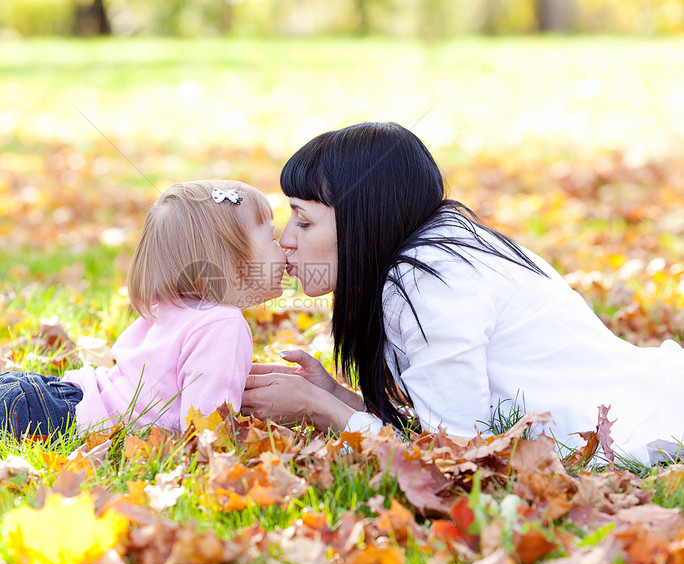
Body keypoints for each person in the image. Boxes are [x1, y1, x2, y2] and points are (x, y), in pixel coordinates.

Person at [242, 122, 683, 465]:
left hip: (627, 429)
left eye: (303, 221)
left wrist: (317, 409)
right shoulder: (437, 252)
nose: (285, 240)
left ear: (361, 218)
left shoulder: (430, 282)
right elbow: (440, 422)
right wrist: (337, 396)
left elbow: (454, 452)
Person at [0, 180, 286, 447]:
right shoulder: (225, 325)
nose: (285, 244)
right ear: (228, 260)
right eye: (269, 234)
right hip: (50, 417)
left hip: (38, 392)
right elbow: (205, 429)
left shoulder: (177, 305)